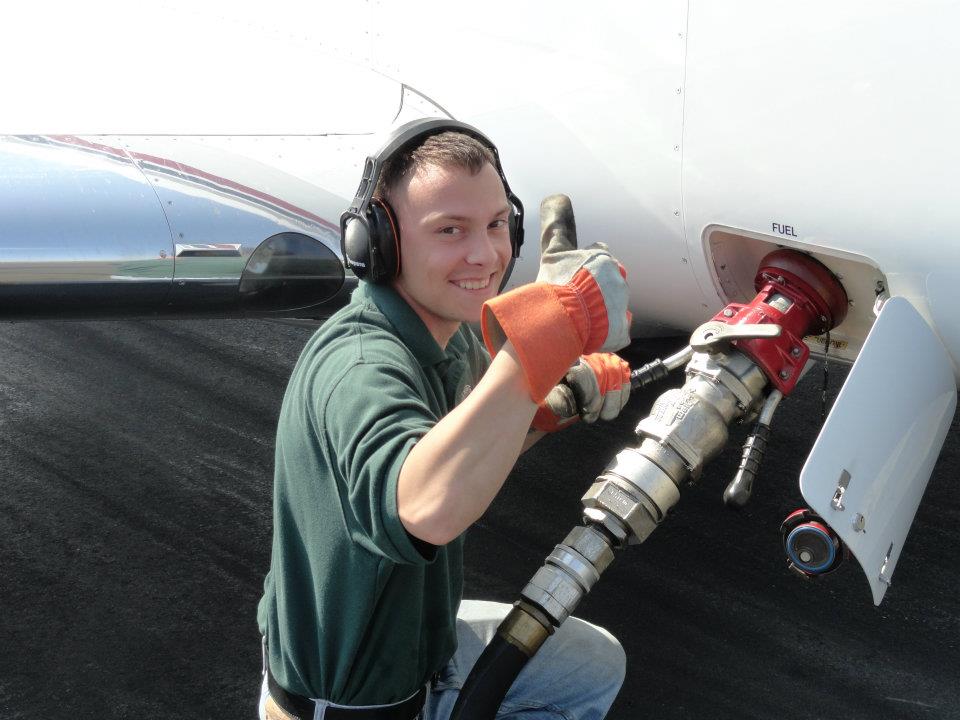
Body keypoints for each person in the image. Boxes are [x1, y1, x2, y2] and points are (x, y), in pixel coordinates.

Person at [257, 119, 633, 720]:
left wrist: (556, 396)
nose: (484, 255)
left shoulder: (446, 333)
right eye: (449, 230)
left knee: (592, 667)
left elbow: (471, 425)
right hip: (357, 702)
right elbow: (427, 506)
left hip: (417, 646)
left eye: (494, 225)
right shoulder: (360, 367)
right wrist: (544, 333)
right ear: (380, 242)